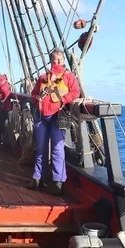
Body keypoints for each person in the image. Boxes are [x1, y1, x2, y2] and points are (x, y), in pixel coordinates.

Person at [30, 49, 80, 195]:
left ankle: (58, 181)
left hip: (58, 116)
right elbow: (33, 93)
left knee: (57, 150)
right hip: (41, 116)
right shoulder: (43, 77)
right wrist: (36, 99)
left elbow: (75, 92)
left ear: (63, 60)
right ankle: (38, 178)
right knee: (40, 148)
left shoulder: (69, 77)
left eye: (60, 59)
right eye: (54, 59)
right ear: (50, 60)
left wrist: (63, 100)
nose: (57, 62)